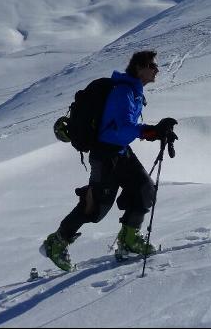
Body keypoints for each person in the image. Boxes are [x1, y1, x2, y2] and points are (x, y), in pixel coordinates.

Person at [41, 50, 178, 271]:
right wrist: (151, 131)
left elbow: (124, 130)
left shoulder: (133, 92)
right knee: (95, 209)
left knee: (144, 189)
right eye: (152, 65)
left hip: (120, 152)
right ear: (139, 68)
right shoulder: (123, 91)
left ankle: (129, 240)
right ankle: (56, 243)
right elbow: (121, 128)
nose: (156, 70)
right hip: (105, 155)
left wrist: (156, 132)